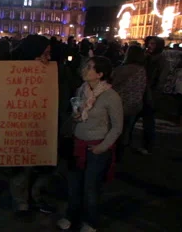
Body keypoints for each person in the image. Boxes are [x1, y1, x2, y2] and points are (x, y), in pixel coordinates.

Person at [57, 56, 123, 232]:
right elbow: (77, 114)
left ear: (100, 74)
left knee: (91, 188)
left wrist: (101, 148)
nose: (85, 70)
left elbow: (117, 127)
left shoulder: (111, 96)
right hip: (77, 143)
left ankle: (91, 221)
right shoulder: (81, 90)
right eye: (85, 66)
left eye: (90, 67)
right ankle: (71, 216)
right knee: (74, 185)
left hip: (97, 147)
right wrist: (76, 116)